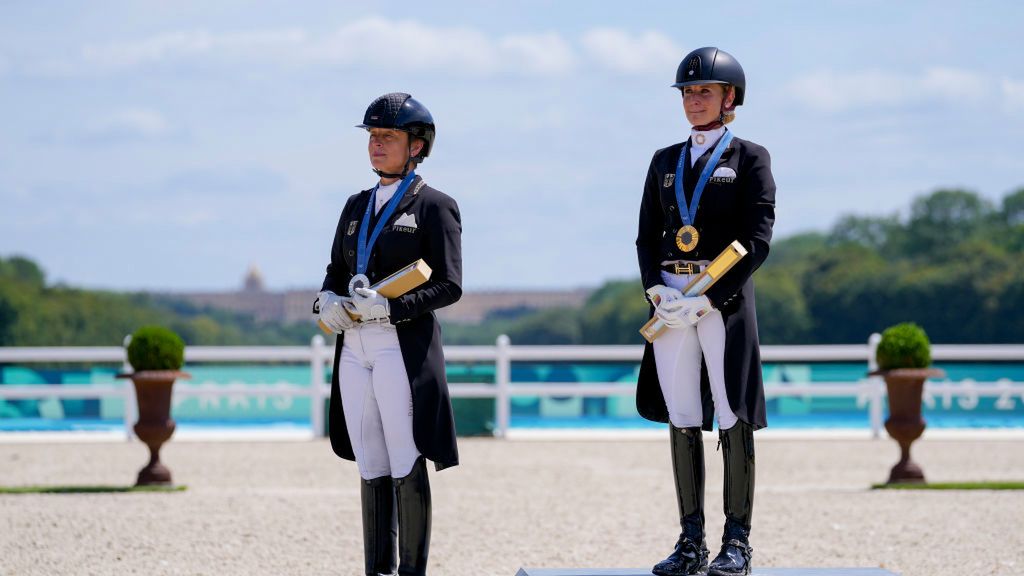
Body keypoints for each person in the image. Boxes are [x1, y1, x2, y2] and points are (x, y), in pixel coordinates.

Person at [635, 47, 776, 576]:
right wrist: (656, 289)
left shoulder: (750, 158)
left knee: (731, 410)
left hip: (722, 301)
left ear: (729, 98)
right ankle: (690, 540)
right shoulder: (664, 160)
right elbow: (647, 234)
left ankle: (736, 541)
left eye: (705, 92)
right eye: (689, 92)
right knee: (682, 413)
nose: (694, 100)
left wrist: (710, 298)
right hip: (672, 303)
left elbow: (757, 240)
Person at [315, 92, 463, 576]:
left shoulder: (435, 207)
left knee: (404, 454)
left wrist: (393, 306)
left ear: (416, 145)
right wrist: (328, 300)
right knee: (368, 459)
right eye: (373, 137)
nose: (377, 145)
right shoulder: (355, 206)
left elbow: (450, 285)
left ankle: (412, 572)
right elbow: (336, 271)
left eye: (388, 137)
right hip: (354, 346)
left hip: (400, 344)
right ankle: (376, 570)